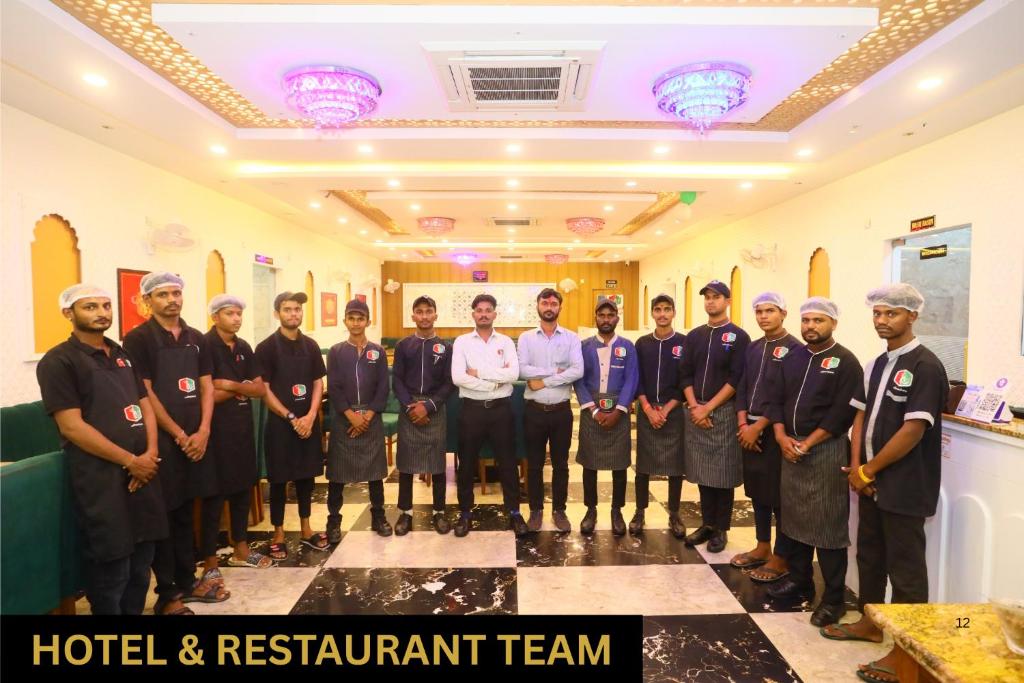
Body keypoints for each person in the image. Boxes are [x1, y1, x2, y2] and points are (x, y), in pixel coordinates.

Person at [819, 284, 948, 683]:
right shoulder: (877, 363)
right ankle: (871, 623)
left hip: (905, 484)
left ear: (912, 316)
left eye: (891, 313)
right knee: (870, 556)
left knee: (906, 570)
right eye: (877, 314)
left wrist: (869, 470)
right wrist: (857, 468)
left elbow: (912, 430)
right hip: (869, 480)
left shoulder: (926, 366)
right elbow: (859, 418)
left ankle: (909, 654)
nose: (882, 320)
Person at [36, 284, 167, 614]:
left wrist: (149, 453)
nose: (101, 313)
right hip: (100, 479)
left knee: (141, 567)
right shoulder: (58, 361)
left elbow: (144, 403)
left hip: (144, 472)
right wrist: (130, 461)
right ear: (69, 313)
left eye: (106, 306)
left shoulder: (121, 354)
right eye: (90, 307)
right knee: (112, 572)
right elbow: (71, 426)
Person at [123, 272, 220, 613]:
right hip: (163, 441)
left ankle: (188, 579)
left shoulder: (196, 338)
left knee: (186, 511)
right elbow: (144, 393)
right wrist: (179, 434)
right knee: (164, 514)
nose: (172, 300)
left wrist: (204, 430)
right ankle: (168, 592)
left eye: (176, 293)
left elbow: (206, 385)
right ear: (148, 301)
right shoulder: (137, 340)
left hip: (198, 438)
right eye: (162, 294)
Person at [765, 297, 863, 628]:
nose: (811, 327)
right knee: (794, 519)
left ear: (833, 323)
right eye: (806, 321)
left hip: (825, 451)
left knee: (828, 526)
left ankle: (834, 599)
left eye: (818, 321)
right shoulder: (791, 356)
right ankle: (800, 579)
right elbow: (774, 399)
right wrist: (780, 437)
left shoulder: (846, 362)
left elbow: (842, 413)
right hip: (789, 447)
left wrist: (807, 442)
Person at [730, 292, 801, 582]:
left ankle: (781, 557)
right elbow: (743, 385)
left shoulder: (795, 349)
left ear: (783, 313)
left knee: (778, 496)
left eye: (770, 311)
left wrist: (758, 428)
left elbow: (785, 395)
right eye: (759, 311)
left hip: (775, 431)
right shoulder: (755, 347)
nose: (764, 316)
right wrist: (743, 421)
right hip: (748, 427)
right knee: (757, 492)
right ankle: (762, 546)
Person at [199, 295, 272, 571]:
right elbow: (207, 395)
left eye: (239, 313)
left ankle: (241, 548)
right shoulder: (203, 345)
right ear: (215, 317)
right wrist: (239, 388)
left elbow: (259, 389)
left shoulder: (243, 347)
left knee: (242, 490)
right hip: (214, 431)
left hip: (242, 430)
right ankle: (210, 561)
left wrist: (228, 385)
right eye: (230, 313)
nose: (237, 319)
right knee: (214, 497)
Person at [254, 292, 328, 559]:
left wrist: (310, 415)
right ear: (277, 313)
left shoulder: (310, 345)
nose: (294, 314)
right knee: (278, 480)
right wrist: (291, 417)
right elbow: (264, 389)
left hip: (308, 422)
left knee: (306, 477)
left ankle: (307, 530)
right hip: (280, 425)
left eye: (297, 309)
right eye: (287, 309)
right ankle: (279, 533)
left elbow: (318, 382)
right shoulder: (266, 348)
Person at [679, 280, 750, 553]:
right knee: (703, 473)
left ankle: (721, 528)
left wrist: (708, 409)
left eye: (716, 297)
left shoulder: (738, 336)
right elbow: (684, 373)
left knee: (723, 473)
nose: (711, 302)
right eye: (707, 297)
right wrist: (695, 406)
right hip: (695, 409)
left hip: (722, 412)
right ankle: (707, 523)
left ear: (728, 301)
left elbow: (736, 378)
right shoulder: (695, 335)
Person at [450, 294, 526, 538]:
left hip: (501, 410)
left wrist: (479, 374)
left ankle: (514, 512)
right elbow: (458, 378)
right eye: (479, 310)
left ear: (495, 314)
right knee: (466, 465)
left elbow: (513, 374)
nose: (483, 313)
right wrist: (494, 383)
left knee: (508, 463)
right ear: (473, 314)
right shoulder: (461, 342)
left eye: (488, 310)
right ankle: (464, 513)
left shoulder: (504, 341)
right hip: (471, 410)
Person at [517, 288, 584, 532]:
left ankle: (559, 510)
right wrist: (556, 372)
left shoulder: (571, 338)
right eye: (545, 302)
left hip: (561, 411)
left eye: (553, 303)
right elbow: (522, 370)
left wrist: (544, 380)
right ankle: (535, 511)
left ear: (560, 307)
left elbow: (577, 371)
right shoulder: (526, 338)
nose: (549, 306)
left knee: (561, 464)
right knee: (533, 464)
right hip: (533, 410)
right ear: (537, 306)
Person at [326, 299, 392, 542]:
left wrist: (368, 416)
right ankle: (333, 521)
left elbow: (383, 387)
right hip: (344, 417)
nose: (356, 323)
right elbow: (333, 386)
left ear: (368, 321)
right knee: (337, 474)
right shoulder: (336, 351)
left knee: (375, 472)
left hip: (371, 417)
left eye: (360, 318)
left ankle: (378, 516)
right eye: (351, 318)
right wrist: (351, 416)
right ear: (345, 321)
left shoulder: (378, 351)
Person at [574, 298, 639, 536]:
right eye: (601, 315)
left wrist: (620, 409)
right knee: (589, 464)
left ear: (617, 319)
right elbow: (578, 380)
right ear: (595, 318)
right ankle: (590, 510)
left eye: (610, 315)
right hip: (592, 410)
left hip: (619, 412)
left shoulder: (627, 346)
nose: (606, 319)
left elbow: (632, 379)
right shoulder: (583, 346)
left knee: (619, 464)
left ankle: (616, 511)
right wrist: (594, 410)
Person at [392, 295, 454, 535]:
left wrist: (428, 406)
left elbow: (449, 383)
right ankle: (405, 513)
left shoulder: (446, 347)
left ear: (435, 315)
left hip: (434, 408)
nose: (424, 316)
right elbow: (396, 379)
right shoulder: (403, 345)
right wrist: (410, 406)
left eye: (429, 311)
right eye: (420, 312)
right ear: (413, 316)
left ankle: (439, 511)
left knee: (437, 463)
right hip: (409, 408)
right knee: (406, 464)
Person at [631, 294, 687, 537]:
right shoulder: (642, 343)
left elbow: (686, 380)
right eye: (658, 309)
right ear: (652, 313)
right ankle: (639, 511)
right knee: (643, 465)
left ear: (674, 312)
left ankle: (674, 513)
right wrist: (646, 408)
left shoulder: (684, 343)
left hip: (673, 412)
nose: (662, 314)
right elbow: (637, 378)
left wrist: (665, 409)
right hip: (646, 410)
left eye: (667, 309)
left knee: (675, 466)